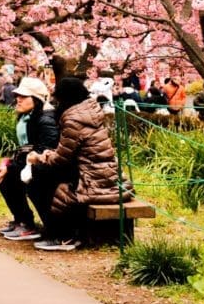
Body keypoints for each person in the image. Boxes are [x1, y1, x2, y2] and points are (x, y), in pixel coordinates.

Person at [27, 77, 132, 251]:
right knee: (43, 174)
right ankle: (58, 232)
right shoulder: (88, 111)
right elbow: (68, 153)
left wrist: (40, 158)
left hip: (92, 178)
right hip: (102, 173)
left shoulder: (73, 119)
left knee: (39, 178)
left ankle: (63, 235)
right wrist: (48, 155)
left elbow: (61, 159)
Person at [0, 77, 59, 242]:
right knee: (3, 176)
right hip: (31, 163)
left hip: (46, 167)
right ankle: (23, 220)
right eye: (18, 96)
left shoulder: (45, 119)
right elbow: (25, 149)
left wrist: (11, 166)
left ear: (36, 99)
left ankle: (29, 224)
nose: (18, 99)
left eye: (24, 97)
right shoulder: (27, 117)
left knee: (11, 176)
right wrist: (8, 164)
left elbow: (44, 151)